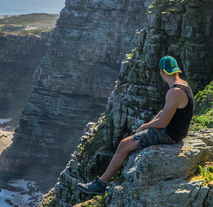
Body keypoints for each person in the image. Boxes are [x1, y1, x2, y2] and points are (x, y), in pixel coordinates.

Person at [77, 55, 194, 195]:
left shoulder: (174, 92)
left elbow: (163, 122)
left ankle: (100, 184)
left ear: (162, 72)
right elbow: (164, 112)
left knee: (124, 145)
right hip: (177, 131)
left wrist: (144, 127)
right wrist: (148, 124)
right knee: (131, 142)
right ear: (176, 70)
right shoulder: (183, 85)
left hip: (170, 134)